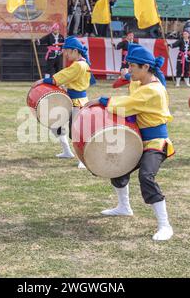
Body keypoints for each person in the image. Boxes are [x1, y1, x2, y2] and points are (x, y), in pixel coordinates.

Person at [86, 43, 175, 241]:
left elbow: (128, 104)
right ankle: (124, 207)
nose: (129, 69)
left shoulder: (153, 90)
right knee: (117, 167)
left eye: (133, 66)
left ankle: (165, 225)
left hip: (155, 141)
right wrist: (126, 77)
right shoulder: (141, 82)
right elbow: (131, 84)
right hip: (137, 138)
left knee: (146, 176)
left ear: (145, 68)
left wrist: (102, 100)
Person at [32, 36, 94, 169]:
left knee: (77, 132)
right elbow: (67, 77)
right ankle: (67, 151)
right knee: (55, 123)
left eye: (67, 51)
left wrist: (43, 81)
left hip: (78, 102)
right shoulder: (79, 63)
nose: (65, 54)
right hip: (68, 98)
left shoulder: (80, 65)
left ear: (75, 51)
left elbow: (62, 76)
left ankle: (83, 160)